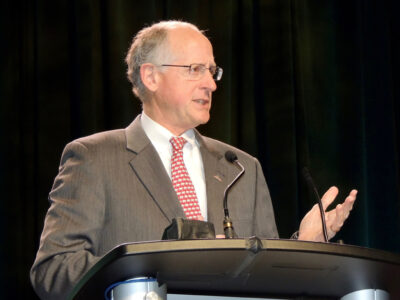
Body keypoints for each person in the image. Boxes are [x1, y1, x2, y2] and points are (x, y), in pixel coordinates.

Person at [30, 20, 357, 299]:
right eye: (194, 69)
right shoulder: (94, 157)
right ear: (151, 76)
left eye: (212, 71)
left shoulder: (241, 167)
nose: (210, 83)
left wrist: (302, 245)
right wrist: (151, 265)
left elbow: (266, 281)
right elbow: (54, 270)